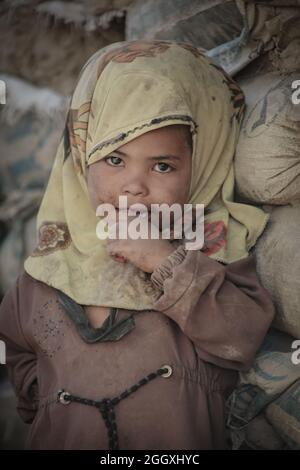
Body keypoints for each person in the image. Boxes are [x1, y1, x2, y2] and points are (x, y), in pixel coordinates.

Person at [0, 40, 275, 450]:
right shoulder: (48, 268)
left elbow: (241, 335)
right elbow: (18, 349)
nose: (133, 186)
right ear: (81, 153)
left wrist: (167, 260)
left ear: (204, 166)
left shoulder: (212, 251)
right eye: (114, 158)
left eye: (162, 165)